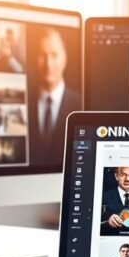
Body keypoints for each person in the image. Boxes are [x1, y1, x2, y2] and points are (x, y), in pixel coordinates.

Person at [30, 27, 81, 165]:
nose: (48, 63)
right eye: (43, 55)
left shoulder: (81, 105)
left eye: (54, 55)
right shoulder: (25, 102)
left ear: (65, 57)